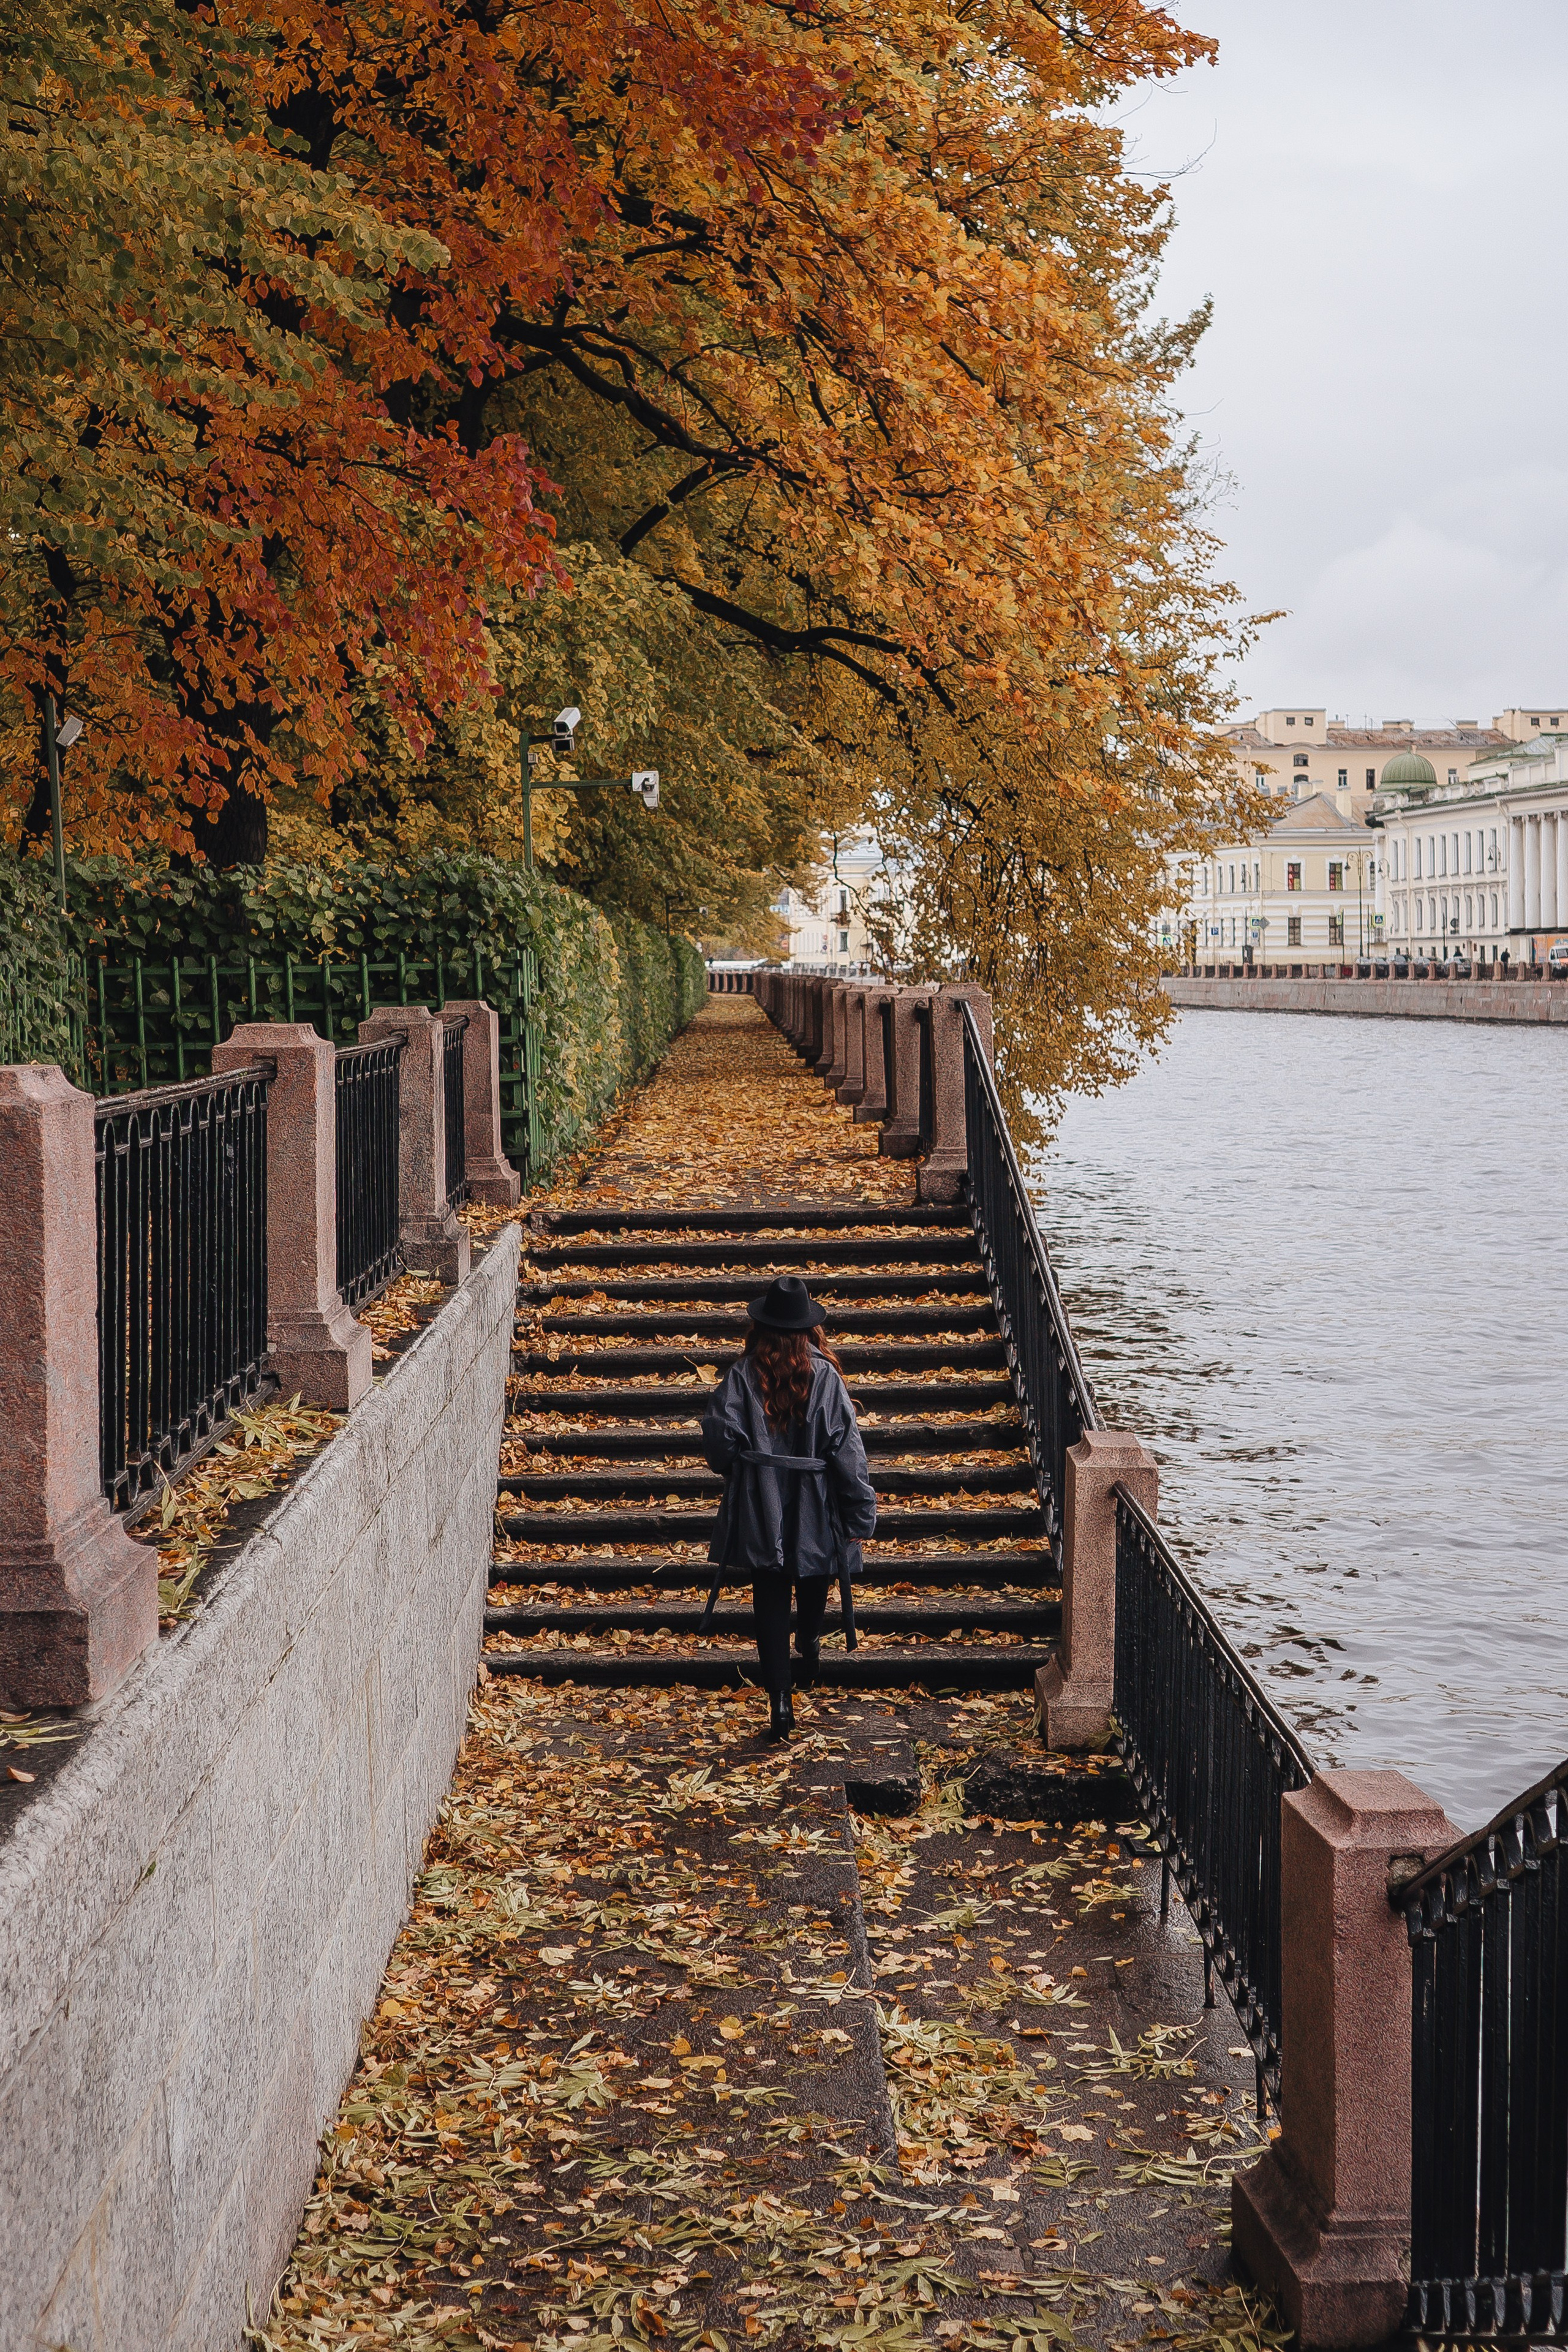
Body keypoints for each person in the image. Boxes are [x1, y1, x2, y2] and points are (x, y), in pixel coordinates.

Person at [700, 1275, 878, 1739]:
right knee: (817, 1575)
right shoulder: (827, 1378)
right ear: (809, 1329)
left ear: (761, 1327)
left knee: (770, 1593)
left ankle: (780, 1703)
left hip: (762, 1500)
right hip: (817, 1500)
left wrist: (744, 1464)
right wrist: (860, 1512)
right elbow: (848, 1450)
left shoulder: (741, 1376)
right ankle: (810, 1642)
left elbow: (718, 1445)